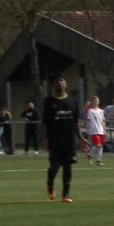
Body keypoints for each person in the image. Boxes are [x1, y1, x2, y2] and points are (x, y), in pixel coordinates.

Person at [42, 72, 88, 202]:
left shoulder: (73, 101)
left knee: (68, 166)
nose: (60, 82)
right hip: (54, 139)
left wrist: (81, 138)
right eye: (57, 81)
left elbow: (75, 122)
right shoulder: (48, 101)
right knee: (55, 165)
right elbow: (45, 123)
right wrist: (45, 138)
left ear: (65, 83)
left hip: (69, 139)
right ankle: (50, 183)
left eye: (62, 80)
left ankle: (65, 194)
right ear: (53, 84)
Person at [85, 96, 107, 166]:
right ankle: (90, 155)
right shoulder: (90, 111)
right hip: (94, 130)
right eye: (94, 101)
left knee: (100, 146)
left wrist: (104, 130)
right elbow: (88, 120)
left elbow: (103, 121)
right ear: (92, 102)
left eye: (97, 101)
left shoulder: (101, 111)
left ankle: (98, 160)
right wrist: (87, 129)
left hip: (100, 130)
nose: (95, 102)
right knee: (98, 145)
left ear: (99, 102)